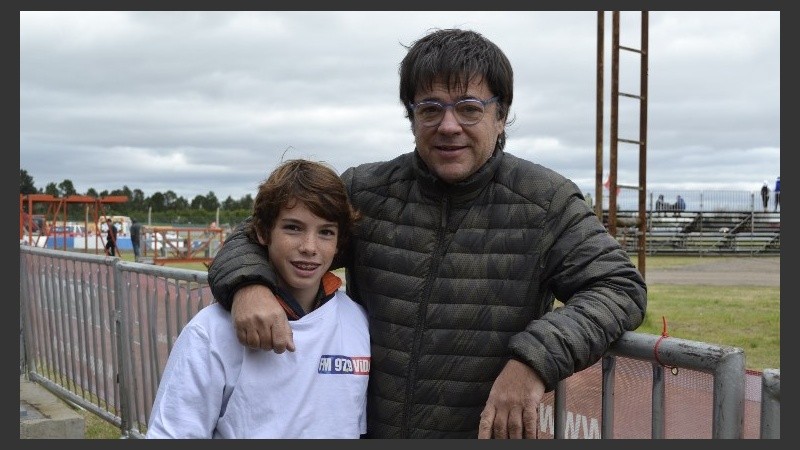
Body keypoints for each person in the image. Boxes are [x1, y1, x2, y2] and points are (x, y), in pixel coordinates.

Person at [207, 28, 647, 439]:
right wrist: (250, 286)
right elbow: (258, 235)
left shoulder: (545, 202)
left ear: (501, 115)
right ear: (412, 116)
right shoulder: (367, 191)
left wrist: (532, 361)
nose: (448, 125)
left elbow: (618, 287)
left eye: (469, 108)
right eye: (431, 109)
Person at [146, 159, 369, 438]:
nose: (309, 247)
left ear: (339, 242)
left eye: (326, 232)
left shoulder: (357, 322)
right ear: (263, 232)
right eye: (293, 228)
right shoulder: (211, 331)